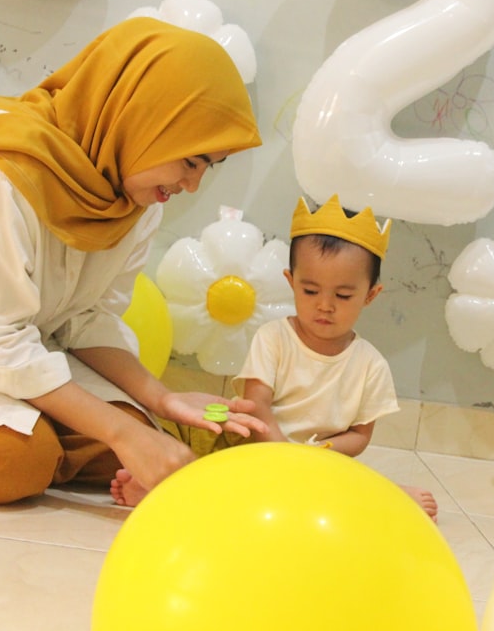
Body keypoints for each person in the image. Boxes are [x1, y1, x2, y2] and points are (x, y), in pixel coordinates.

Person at [0, 16, 268, 505]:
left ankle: (47, 438)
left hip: (17, 353)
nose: (192, 185)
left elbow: (88, 319)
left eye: (208, 168)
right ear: (143, 118)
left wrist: (160, 399)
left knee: (139, 440)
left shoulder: (134, 195)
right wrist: (127, 439)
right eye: (191, 161)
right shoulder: (3, 168)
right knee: (16, 461)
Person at [112, 194, 438, 521]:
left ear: (370, 295)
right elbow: (257, 406)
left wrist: (317, 454)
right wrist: (279, 451)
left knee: (337, 489)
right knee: (211, 458)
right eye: (310, 291)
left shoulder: (371, 364)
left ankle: (391, 496)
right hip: (256, 446)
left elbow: (359, 435)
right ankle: (164, 484)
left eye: (343, 295)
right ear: (290, 282)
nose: (325, 305)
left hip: (315, 462)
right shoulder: (275, 338)